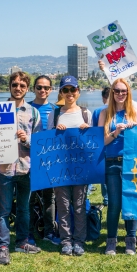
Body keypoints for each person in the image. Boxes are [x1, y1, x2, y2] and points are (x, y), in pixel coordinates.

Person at [0, 71, 43, 265]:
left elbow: (38, 142)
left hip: (26, 168)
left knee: (24, 209)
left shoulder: (33, 112)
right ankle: (2, 248)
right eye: (15, 85)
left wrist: (25, 139)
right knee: (3, 210)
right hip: (4, 169)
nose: (18, 88)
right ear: (9, 87)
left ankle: (22, 242)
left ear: (27, 89)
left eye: (22, 85)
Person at [47, 76, 92, 256]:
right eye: (65, 90)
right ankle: (66, 240)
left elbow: (92, 142)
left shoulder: (86, 113)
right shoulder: (55, 114)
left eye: (72, 90)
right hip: (60, 167)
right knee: (63, 205)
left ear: (78, 92)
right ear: (61, 93)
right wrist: (56, 131)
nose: (69, 93)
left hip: (80, 167)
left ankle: (79, 240)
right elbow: (48, 139)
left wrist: (86, 129)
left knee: (80, 204)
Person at [99, 78, 137, 255]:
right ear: (111, 93)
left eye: (123, 91)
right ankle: (111, 241)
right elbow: (102, 141)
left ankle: (131, 241)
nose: (120, 94)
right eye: (116, 91)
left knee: (131, 203)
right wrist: (116, 132)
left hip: (131, 163)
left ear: (128, 92)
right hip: (111, 163)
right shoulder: (104, 114)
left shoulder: (134, 112)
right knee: (114, 204)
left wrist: (134, 127)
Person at [27, 75, 60, 246]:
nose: (42, 91)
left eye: (46, 88)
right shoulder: (27, 108)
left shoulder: (56, 109)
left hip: (49, 160)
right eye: (39, 87)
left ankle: (49, 231)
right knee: (30, 198)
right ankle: (29, 233)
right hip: (30, 159)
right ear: (34, 89)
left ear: (51, 90)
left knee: (49, 197)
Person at [91, 87, 111, 206]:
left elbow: (94, 131)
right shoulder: (119, 110)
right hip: (115, 148)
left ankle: (107, 199)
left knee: (104, 175)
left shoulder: (98, 111)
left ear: (103, 97)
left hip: (102, 146)